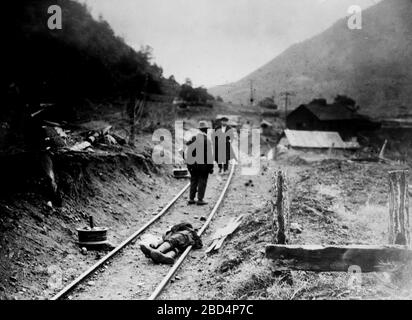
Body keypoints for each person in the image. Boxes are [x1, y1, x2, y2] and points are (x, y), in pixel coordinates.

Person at [185, 120, 214, 205]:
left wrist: (189, 165)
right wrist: (211, 167)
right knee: (202, 181)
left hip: (193, 164)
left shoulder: (193, 138)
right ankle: (200, 199)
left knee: (193, 180)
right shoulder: (207, 140)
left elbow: (188, 152)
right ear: (205, 130)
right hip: (203, 166)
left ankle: (191, 199)